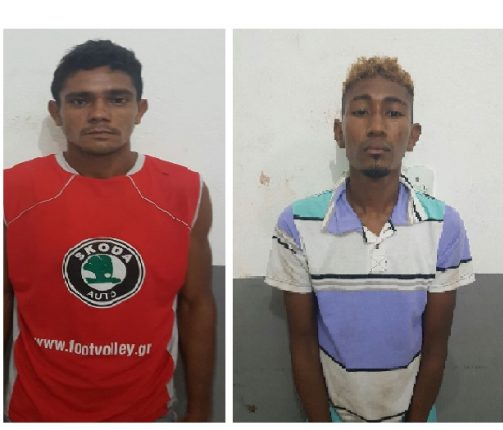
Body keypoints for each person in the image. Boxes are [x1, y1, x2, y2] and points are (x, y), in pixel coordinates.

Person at [3, 39, 216, 422]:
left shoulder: (185, 191)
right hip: (35, 413)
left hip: (148, 413)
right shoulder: (13, 191)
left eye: (117, 100)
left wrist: (200, 412)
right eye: (80, 100)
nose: (99, 114)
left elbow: (196, 303)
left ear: (140, 109)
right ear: (56, 112)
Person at [265, 56, 474, 422]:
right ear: (339, 131)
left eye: (393, 113)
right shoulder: (298, 224)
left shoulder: (443, 226)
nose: (376, 127)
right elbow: (302, 344)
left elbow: (436, 345)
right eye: (361, 112)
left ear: (413, 135)